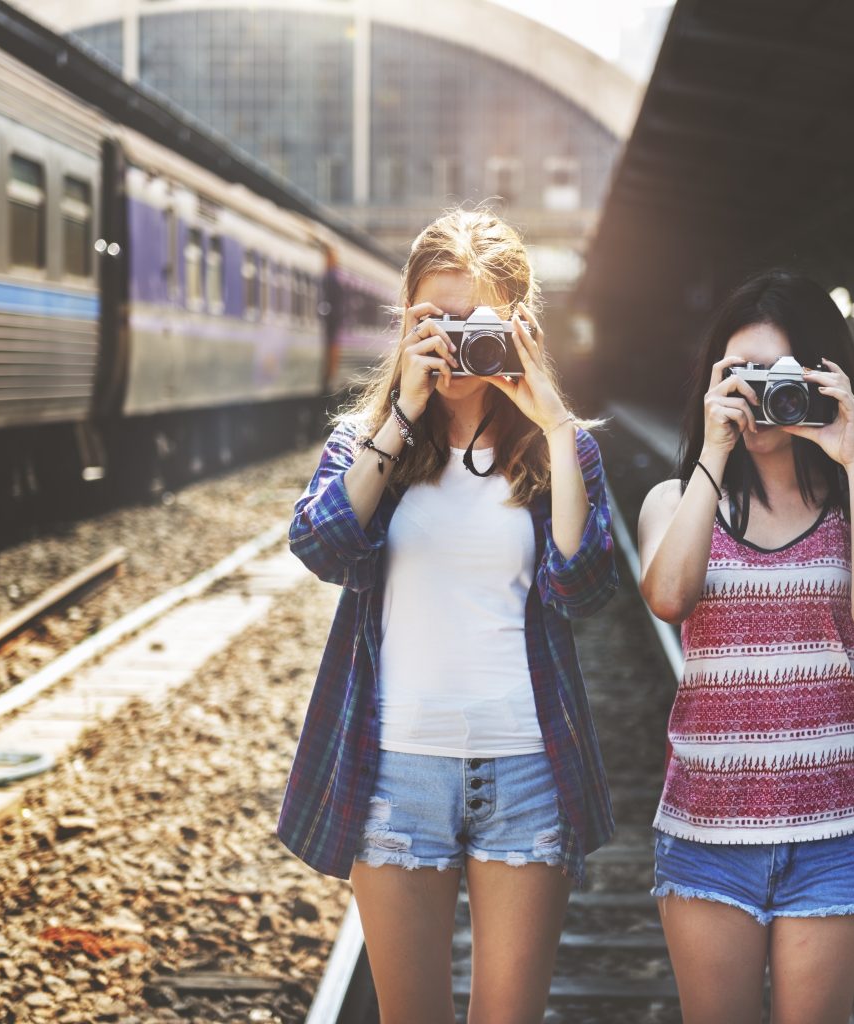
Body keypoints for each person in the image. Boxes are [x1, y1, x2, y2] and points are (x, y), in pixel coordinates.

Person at [278, 209, 618, 1023]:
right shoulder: (367, 443)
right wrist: (401, 410)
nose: (456, 343)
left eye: (478, 322)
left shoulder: (559, 452)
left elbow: (585, 588)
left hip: (526, 772)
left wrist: (554, 419)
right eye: (435, 319)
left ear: (521, 323)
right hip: (396, 771)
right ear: (405, 321)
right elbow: (321, 548)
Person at [637, 269, 854, 1024]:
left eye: (779, 376)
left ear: (827, 380)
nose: (760, 397)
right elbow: (668, 597)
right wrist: (713, 454)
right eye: (742, 375)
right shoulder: (676, 501)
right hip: (706, 828)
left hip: (833, 827)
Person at [318, 243, 346, 391]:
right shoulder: (335, 277)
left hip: (332, 330)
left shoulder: (332, 277)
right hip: (332, 330)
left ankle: (329, 376)